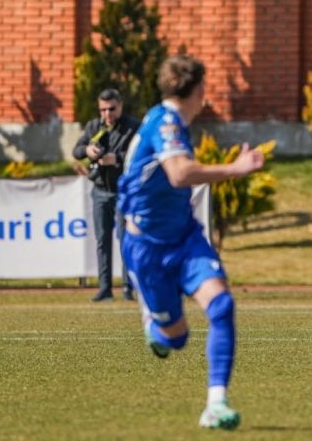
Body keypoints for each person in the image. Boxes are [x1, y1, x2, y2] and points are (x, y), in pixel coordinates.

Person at [117, 54, 264, 430]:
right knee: (175, 339)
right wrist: (235, 169)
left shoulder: (174, 122)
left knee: (222, 305)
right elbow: (180, 174)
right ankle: (154, 323)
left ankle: (216, 404)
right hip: (147, 248)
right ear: (199, 90)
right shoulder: (165, 122)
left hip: (185, 237)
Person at [72, 88, 140, 302]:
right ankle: (105, 288)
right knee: (102, 240)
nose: (107, 114)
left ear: (120, 106)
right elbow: (76, 150)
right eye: (103, 110)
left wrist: (116, 159)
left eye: (111, 109)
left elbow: (140, 155)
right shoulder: (94, 126)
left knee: (126, 240)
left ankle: (128, 287)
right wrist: (87, 151)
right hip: (100, 191)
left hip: (123, 193)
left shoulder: (132, 127)